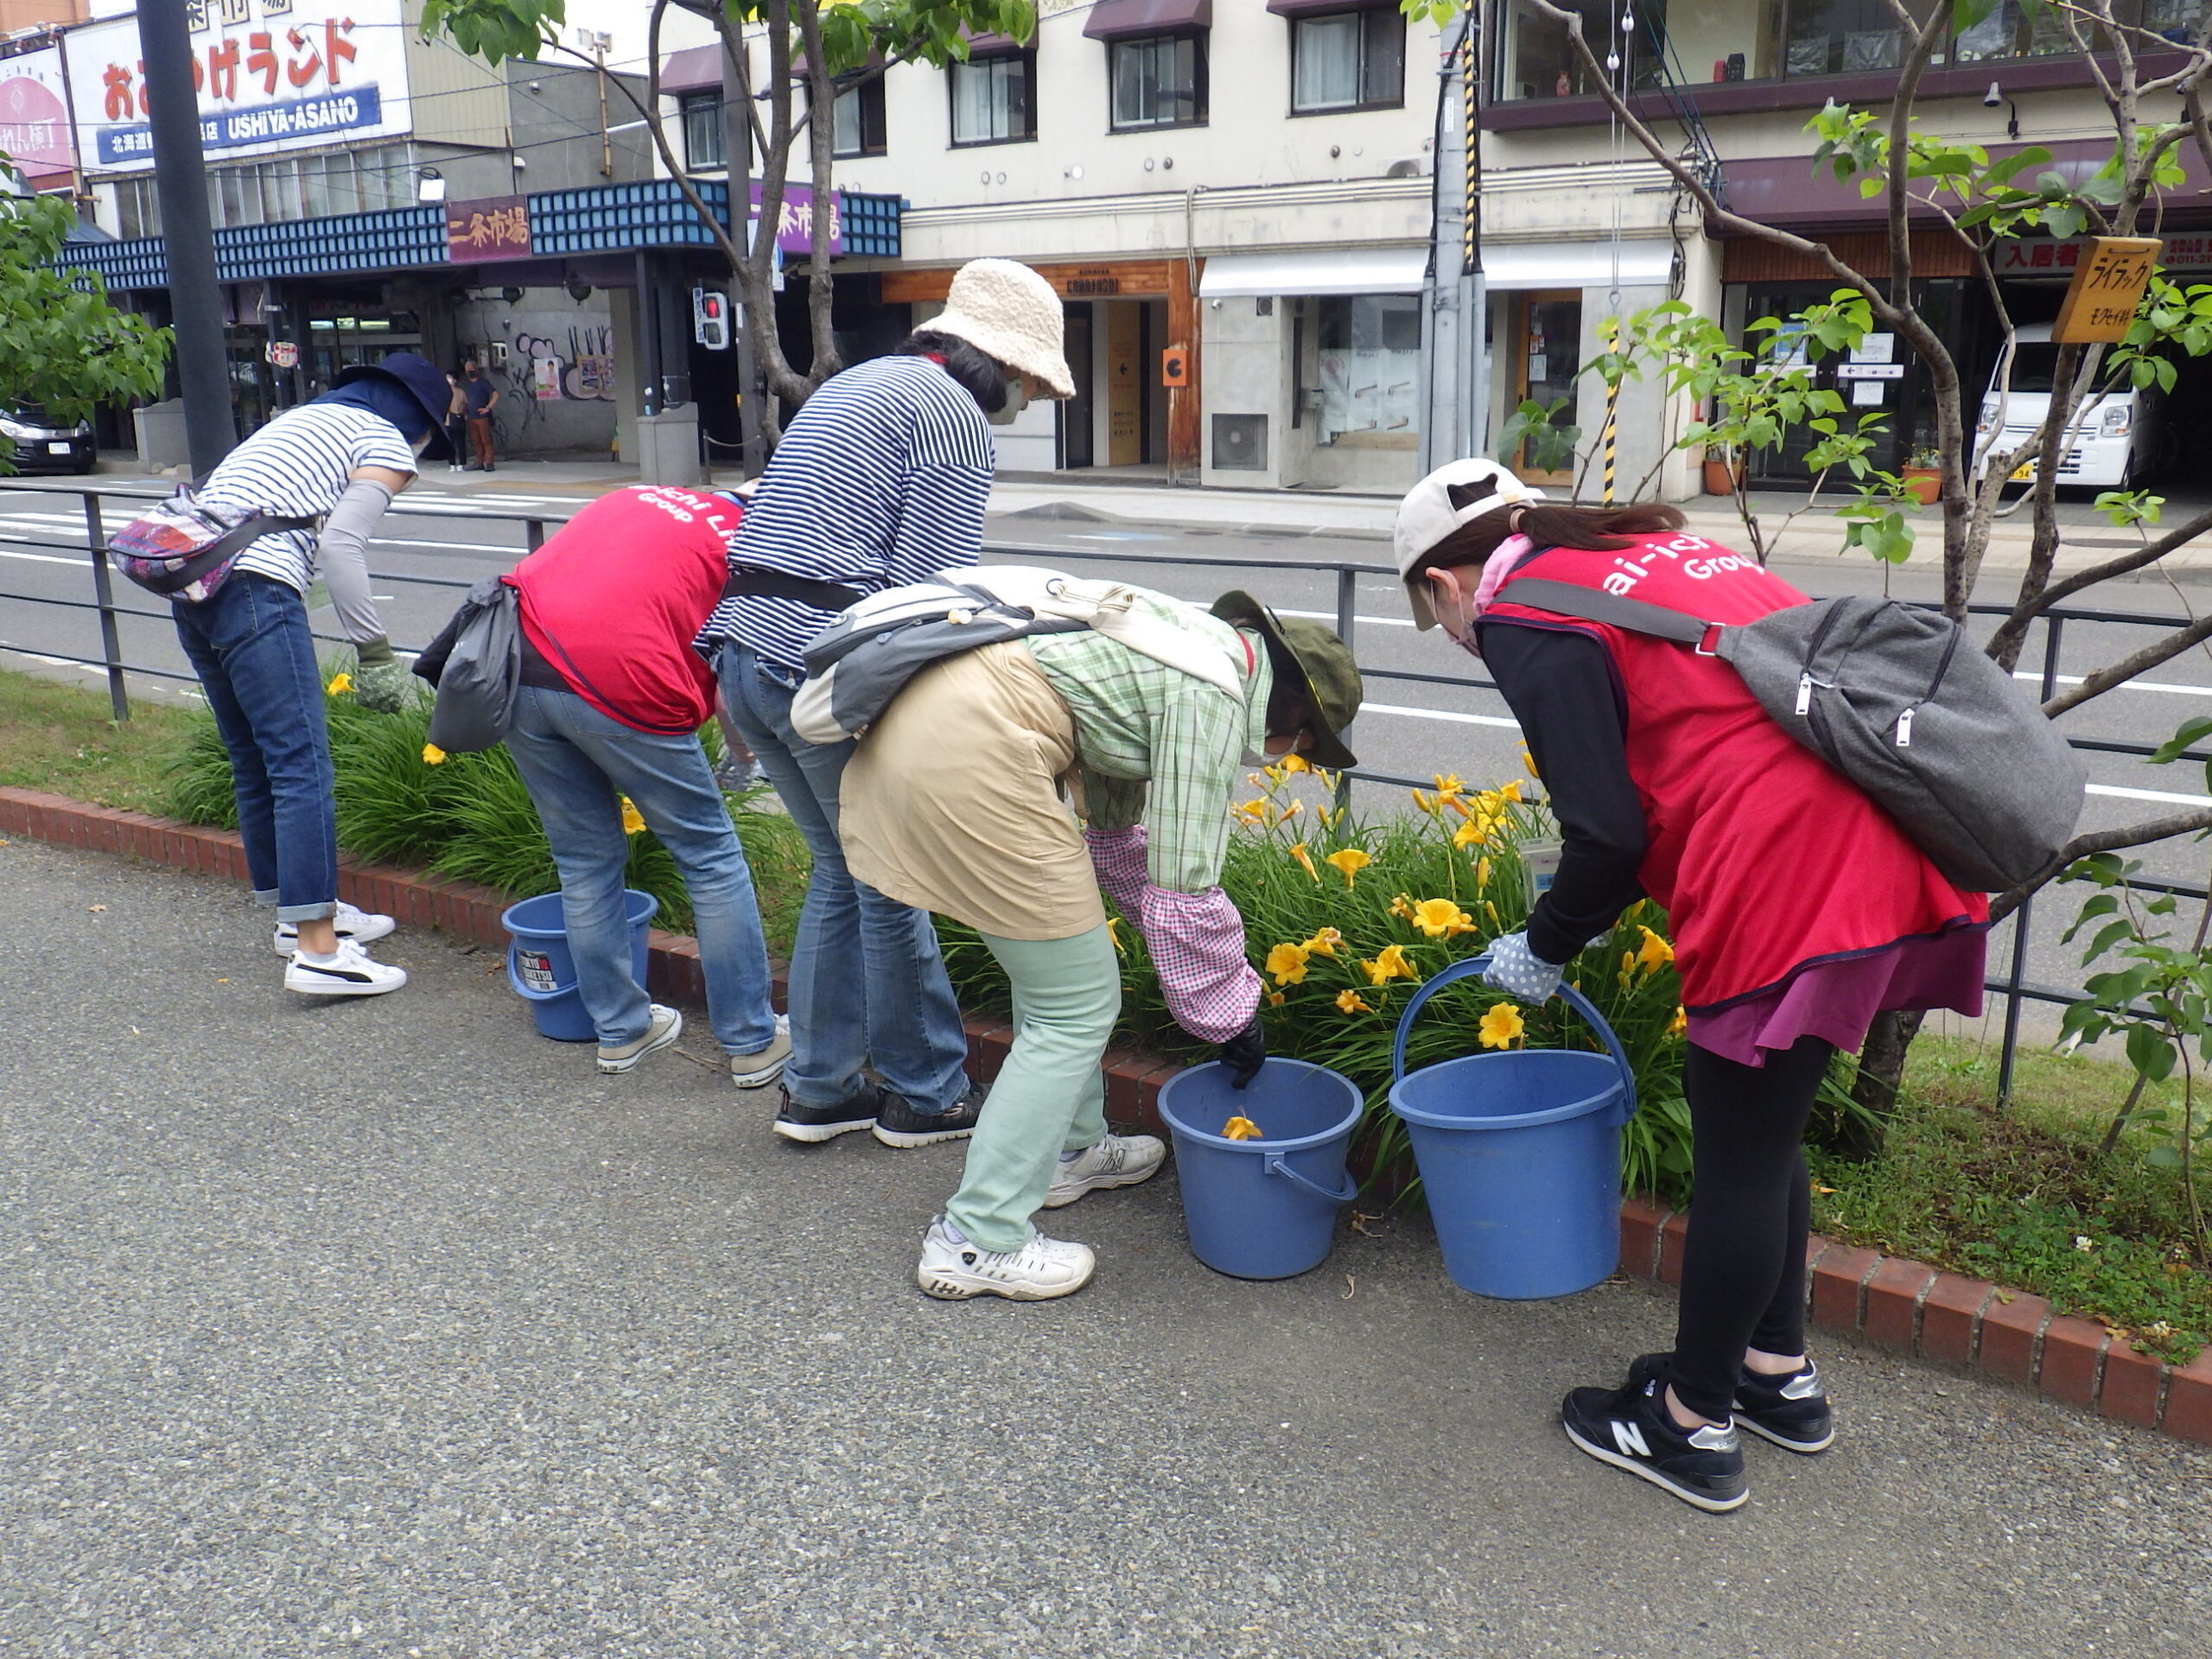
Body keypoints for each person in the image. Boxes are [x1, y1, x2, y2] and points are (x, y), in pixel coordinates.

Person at [1393, 458, 1990, 1511]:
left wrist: (1544, 944)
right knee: (1765, 1136)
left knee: (1736, 1165)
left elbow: (1605, 836)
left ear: (1443, 582)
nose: (1453, 633)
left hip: (1781, 871)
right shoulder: (1650, 547)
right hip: (1880, 829)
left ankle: (1689, 1426)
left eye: (1433, 614)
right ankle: (1774, 1372)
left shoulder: (1523, 612)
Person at [836, 583, 1363, 1301]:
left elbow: (1115, 835)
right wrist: (1231, 1015)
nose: (1287, 756)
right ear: (1292, 709)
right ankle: (977, 1238)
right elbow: (1184, 883)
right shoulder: (1214, 694)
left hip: (927, 734)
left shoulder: (1185, 646)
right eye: (1303, 741)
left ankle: (1071, 1151)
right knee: (1076, 1005)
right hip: (980, 757)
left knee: (1054, 982)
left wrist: (1211, 991)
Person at [696, 258, 1074, 1152]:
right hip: (820, 664)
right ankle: (928, 1092)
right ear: (1002, 364)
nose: (1027, 400)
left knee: (844, 872)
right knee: (894, 880)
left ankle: (820, 1089)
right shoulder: (954, 417)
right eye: (1029, 380)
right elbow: (926, 598)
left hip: (745, 652)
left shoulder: (860, 382)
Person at [181, 350, 457, 995]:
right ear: (419, 420)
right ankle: (318, 952)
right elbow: (340, 544)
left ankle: (296, 916)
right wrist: (375, 653)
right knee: (302, 766)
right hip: (255, 588)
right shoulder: (385, 440)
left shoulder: (301, 420)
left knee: (255, 759)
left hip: (194, 588)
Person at [498, 485, 791, 1084]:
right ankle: (752, 1042)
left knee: (583, 859)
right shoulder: (749, 542)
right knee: (710, 857)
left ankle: (621, 1031)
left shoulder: (633, 495)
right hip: (623, 678)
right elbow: (733, 680)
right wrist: (743, 757)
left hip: (514, 665)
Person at [461, 359, 500, 472]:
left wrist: (488, 408)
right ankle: (479, 462)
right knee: (476, 441)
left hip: (482, 416)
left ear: (476, 369)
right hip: (471, 417)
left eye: (471, 368)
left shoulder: (483, 382)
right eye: (467, 369)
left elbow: (496, 394)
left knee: (486, 440)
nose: (469, 371)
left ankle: (489, 463)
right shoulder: (467, 385)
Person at [443, 372, 469, 475]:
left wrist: (464, 413)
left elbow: (465, 404)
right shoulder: (443, 392)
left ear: (455, 380)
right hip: (448, 420)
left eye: (450, 378)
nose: (448, 380)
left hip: (459, 419)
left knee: (461, 443)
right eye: (447, 378)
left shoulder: (460, 392)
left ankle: (462, 464)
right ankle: (452, 464)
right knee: (450, 444)